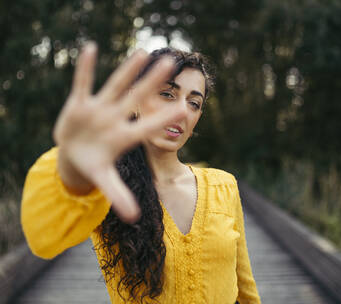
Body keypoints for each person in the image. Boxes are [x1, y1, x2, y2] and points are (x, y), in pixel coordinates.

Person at [21, 42, 262, 304]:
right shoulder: (108, 187)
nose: (181, 111)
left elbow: (245, 290)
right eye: (168, 94)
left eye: (194, 103)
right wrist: (71, 168)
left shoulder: (223, 186)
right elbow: (43, 240)